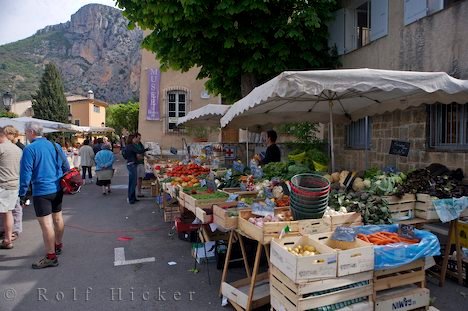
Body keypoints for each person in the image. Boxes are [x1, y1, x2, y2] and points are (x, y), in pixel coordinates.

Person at [19, 122, 70, 268]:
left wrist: (22, 194)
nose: (26, 135)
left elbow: (25, 173)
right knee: (58, 218)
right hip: (57, 188)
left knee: (46, 224)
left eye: (26, 132)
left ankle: (51, 256)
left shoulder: (30, 149)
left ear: (31, 132)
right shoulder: (55, 145)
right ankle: (58, 245)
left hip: (41, 191)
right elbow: (66, 166)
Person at [0, 126, 25, 242]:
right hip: (15, 183)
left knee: (7, 212)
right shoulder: (18, 149)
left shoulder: (2, 148)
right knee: (11, 210)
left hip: (4, 184)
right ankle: (9, 235)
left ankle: (7, 238)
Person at [125, 134, 147, 204]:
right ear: (132, 139)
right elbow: (139, 151)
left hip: (131, 164)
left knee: (133, 182)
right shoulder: (130, 146)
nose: (136, 140)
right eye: (135, 139)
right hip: (132, 165)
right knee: (133, 183)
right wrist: (147, 149)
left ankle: (133, 198)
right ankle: (130, 198)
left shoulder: (129, 146)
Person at [134, 133, 146, 197]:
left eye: (140, 138)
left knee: (140, 178)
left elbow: (143, 152)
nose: (139, 139)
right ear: (135, 138)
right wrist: (142, 157)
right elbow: (137, 155)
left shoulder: (140, 144)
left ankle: (139, 192)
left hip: (141, 163)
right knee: (136, 178)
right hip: (136, 164)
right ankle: (135, 192)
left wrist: (146, 156)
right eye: (138, 138)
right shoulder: (133, 145)